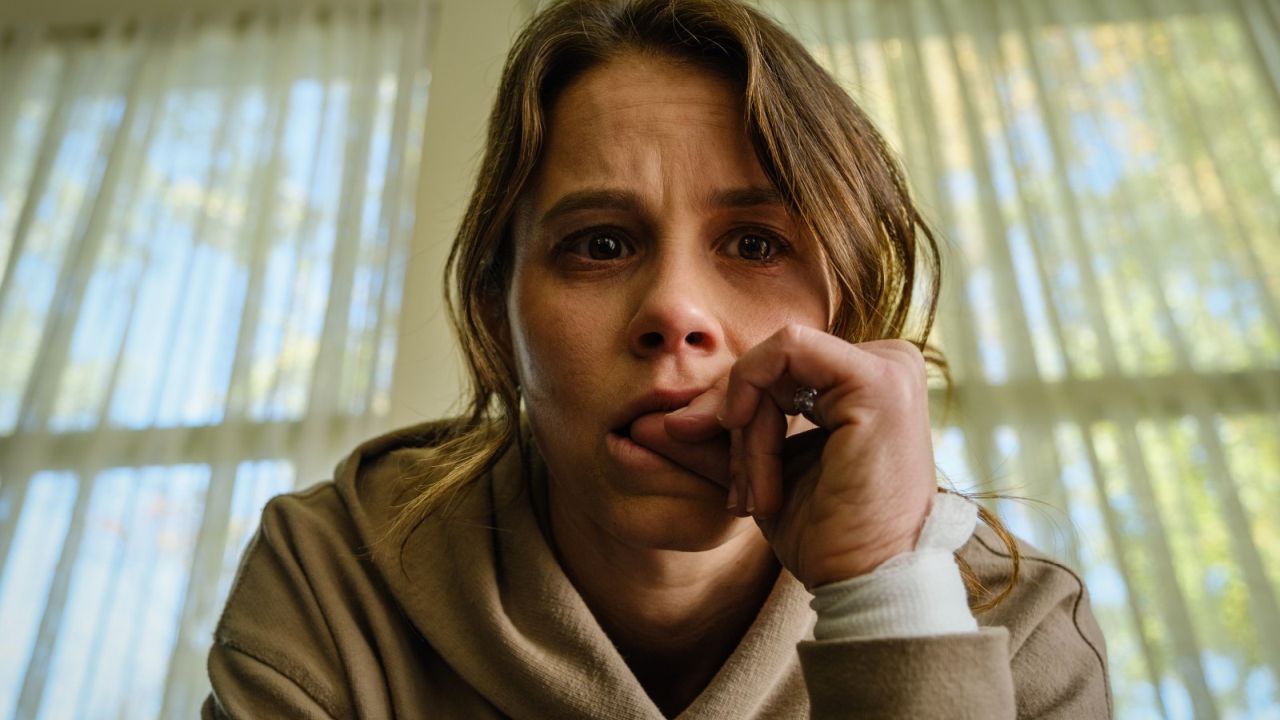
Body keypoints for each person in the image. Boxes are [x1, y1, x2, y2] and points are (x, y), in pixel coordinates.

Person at [203, 0, 1111, 717]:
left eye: (755, 245)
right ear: (496, 316)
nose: (675, 311)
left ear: (853, 312)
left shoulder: (1017, 630)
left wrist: (890, 599)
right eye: (599, 245)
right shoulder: (332, 580)